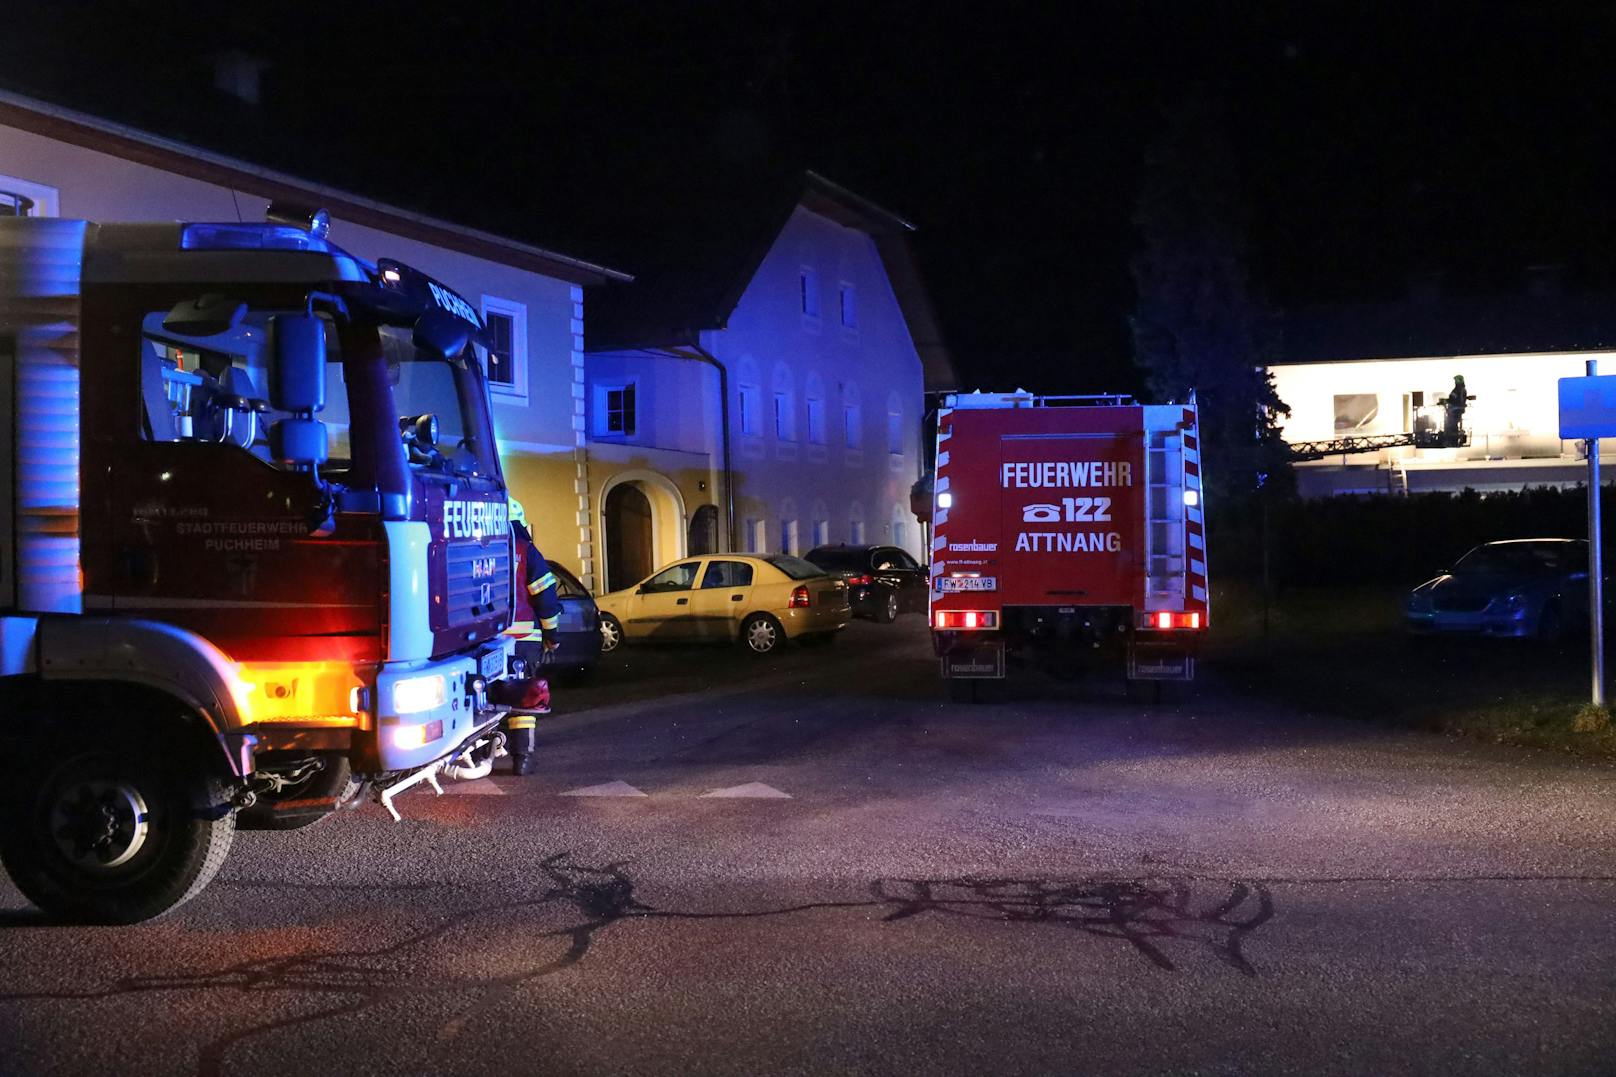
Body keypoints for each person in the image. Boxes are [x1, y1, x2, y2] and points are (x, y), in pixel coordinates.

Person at [498, 498, 561, 776]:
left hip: (484, 640)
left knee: (483, 697)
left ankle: (478, 754)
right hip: (523, 637)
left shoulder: (477, 547)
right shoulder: (526, 550)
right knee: (523, 696)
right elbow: (545, 596)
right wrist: (552, 634)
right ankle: (522, 758)